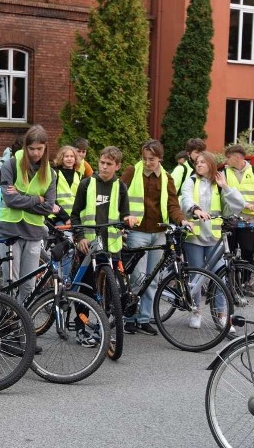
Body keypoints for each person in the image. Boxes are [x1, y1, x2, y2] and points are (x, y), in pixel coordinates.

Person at [120, 139, 192, 335]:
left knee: (152, 279)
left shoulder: (167, 177)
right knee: (136, 277)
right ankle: (129, 317)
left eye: (151, 159)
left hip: (159, 233)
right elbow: (118, 195)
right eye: (144, 158)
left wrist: (182, 220)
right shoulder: (132, 171)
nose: (147, 162)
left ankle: (144, 318)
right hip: (138, 232)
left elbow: (173, 205)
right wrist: (124, 218)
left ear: (159, 158)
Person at [71, 146, 137, 346]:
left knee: (113, 291)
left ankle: (104, 327)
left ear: (117, 166)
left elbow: (125, 213)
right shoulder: (86, 184)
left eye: (109, 164)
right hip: (88, 246)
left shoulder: (120, 187)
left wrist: (129, 218)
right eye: (102, 163)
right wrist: (80, 236)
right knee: (86, 290)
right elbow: (75, 215)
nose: (104, 167)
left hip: (111, 247)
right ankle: (81, 327)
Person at [181, 152, 245, 331]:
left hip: (214, 238)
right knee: (197, 276)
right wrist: (195, 209)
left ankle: (222, 316)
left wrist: (225, 187)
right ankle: (196, 312)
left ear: (211, 164)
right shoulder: (191, 180)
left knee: (220, 277)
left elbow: (238, 204)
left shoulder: (219, 183)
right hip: (194, 237)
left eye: (202, 162)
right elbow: (185, 198)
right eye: (197, 162)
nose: (198, 164)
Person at [0, 125, 57, 304]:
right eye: (31, 148)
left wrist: (22, 197)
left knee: (29, 285)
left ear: (46, 147)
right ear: (25, 147)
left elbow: (48, 207)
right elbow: (10, 200)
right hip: (10, 231)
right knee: (11, 283)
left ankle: (22, 323)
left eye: (39, 149)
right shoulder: (11, 165)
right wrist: (36, 199)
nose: (35, 153)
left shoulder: (50, 173)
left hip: (33, 232)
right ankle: (8, 321)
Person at [51, 145, 81, 223]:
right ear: (61, 158)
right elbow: (50, 199)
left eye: (72, 156)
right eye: (66, 156)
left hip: (75, 218)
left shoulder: (79, 176)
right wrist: (66, 218)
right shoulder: (55, 174)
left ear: (75, 159)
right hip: (58, 217)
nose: (69, 159)